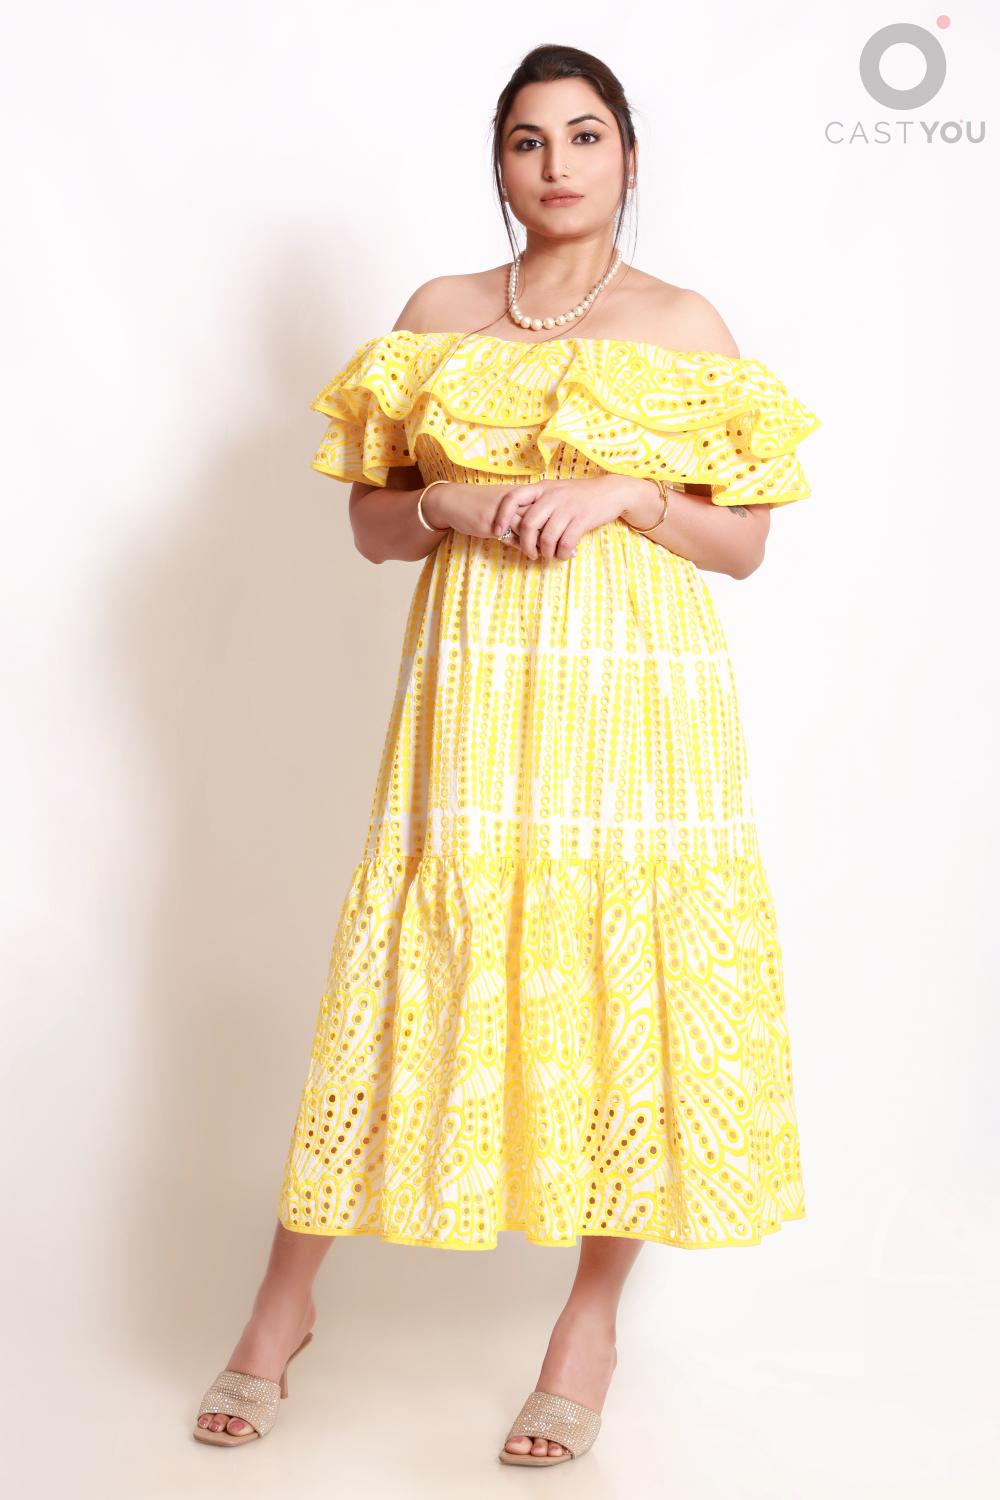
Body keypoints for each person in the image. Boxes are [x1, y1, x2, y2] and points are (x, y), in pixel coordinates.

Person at [194, 42, 820, 1467]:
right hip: (476, 696)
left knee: (628, 985)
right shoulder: (439, 316)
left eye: (585, 137)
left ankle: (587, 1330)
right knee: (410, 965)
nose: (557, 165)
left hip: (640, 701)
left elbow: (743, 546)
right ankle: (282, 1307)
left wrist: (631, 492)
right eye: (529, 140)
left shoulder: (685, 323)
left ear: (629, 158)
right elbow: (371, 525)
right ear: (499, 164)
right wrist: (456, 508)